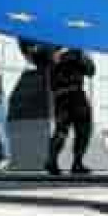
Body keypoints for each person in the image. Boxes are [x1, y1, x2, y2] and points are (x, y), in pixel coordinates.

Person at [44, 48, 96, 176]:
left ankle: (72, 162)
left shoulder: (73, 52)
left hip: (70, 96)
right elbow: (90, 71)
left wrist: (82, 58)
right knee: (69, 130)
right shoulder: (60, 52)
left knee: (77, 130)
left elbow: (91, 71)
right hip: (68, 96)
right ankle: (56, 161)